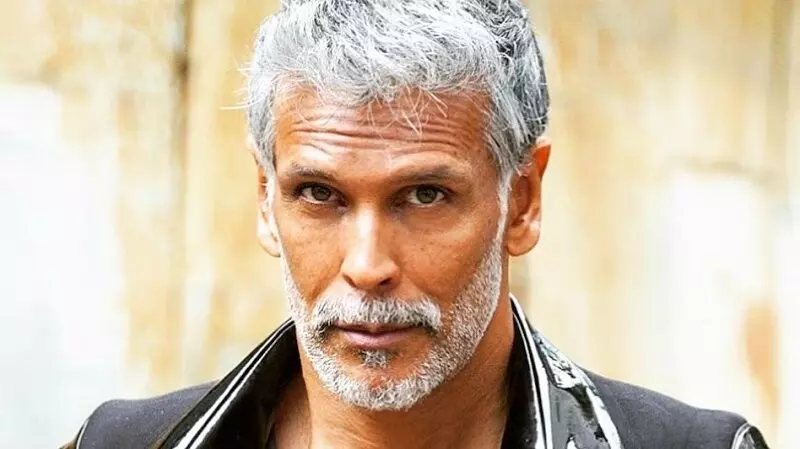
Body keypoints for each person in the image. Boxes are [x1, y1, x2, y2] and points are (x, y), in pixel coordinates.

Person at [62, 1, 770, 448]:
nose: (367, 265)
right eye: (319, 193)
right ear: (264, 198)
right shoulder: (116, 442)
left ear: (522, 201)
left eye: (425, 195)